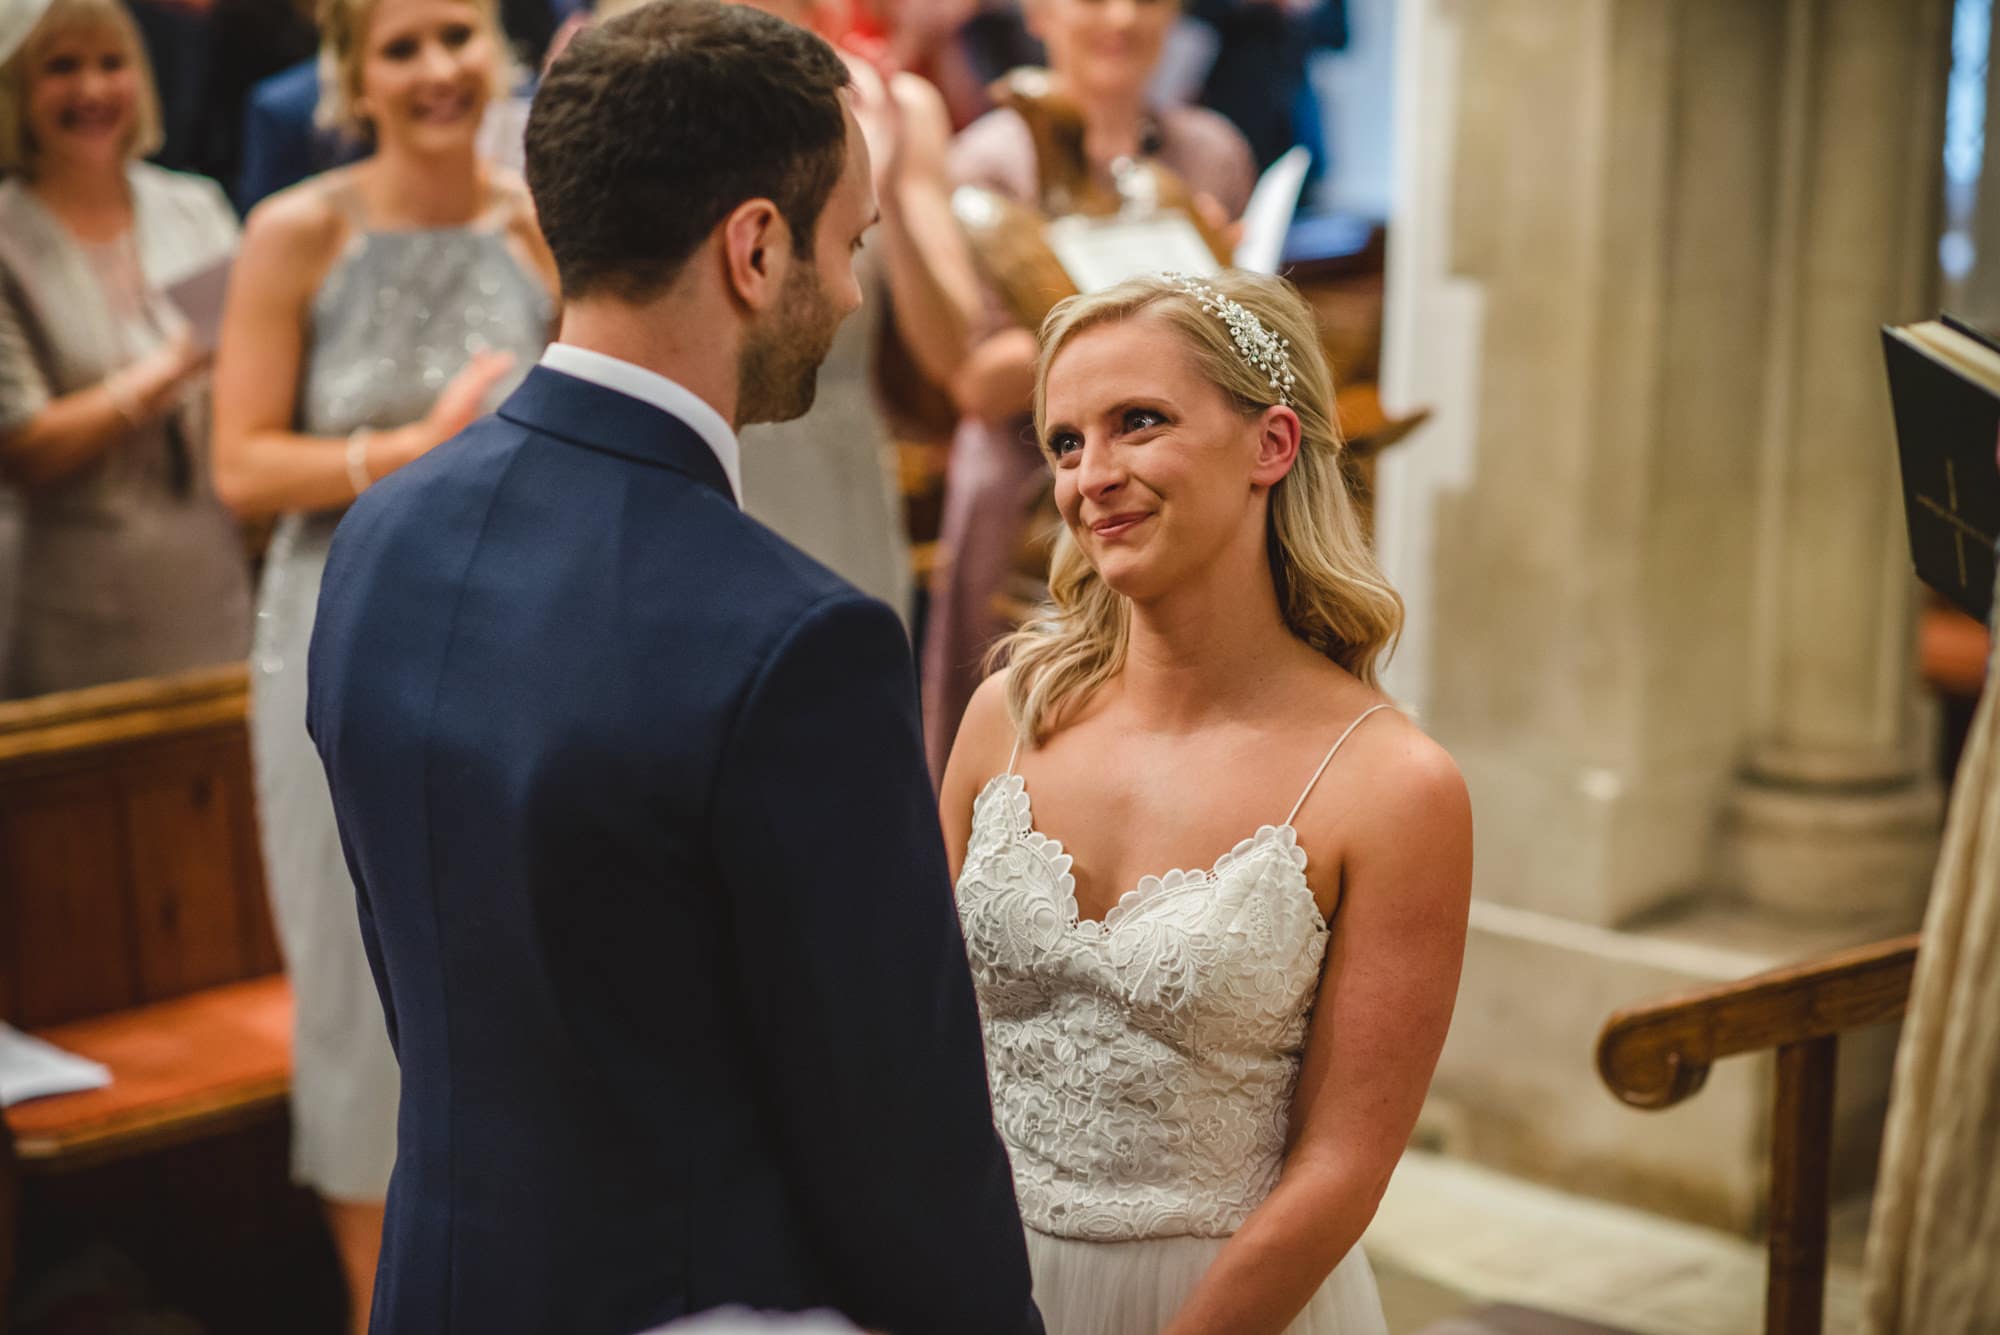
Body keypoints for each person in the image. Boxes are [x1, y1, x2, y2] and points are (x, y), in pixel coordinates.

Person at [305, 4, 1041, 1333]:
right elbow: (895, 1124)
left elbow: (435, 980)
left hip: (444, 1279)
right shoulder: (795, 641)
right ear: (754, 247)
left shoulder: (382, 535)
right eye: (850, 242)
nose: (858, 289)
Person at [941, 271, 1473, 1334]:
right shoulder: (1006, 716)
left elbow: (1340, 1166)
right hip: (979, 1280)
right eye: (1063, 443)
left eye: (1137, 423)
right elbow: (920, 1037)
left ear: (1270, 446)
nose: (1092, 476)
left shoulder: (1391, 788)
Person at [209, 0, 555, 1326]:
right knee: (358, 996)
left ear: (500, 54)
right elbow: (241, 464)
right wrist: (409, 452)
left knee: (519, 977)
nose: (436, 71)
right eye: (401, 46)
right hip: (338, 638)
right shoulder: (294, 233)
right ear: (350, 74)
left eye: (457, 37)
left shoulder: (541, 222)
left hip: (521, 644)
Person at [921, 0, 1256, 775]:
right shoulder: (985, 164)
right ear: (1038, 12)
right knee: (1021, 743)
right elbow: (977, 380)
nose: (1121, 17)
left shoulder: (1210, 153)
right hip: (1028, 489)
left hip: (1182, 491)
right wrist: (1130, 307)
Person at [0, 0, 250, 698]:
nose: (92, 89)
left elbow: (249, 377)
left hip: (208, 577)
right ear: (19, 88)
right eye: (62, 68)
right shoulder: (6, 240)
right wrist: (172, 367)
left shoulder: (195, 206)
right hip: (70, 602)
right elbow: (21, 446)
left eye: (111, 64)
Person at [736, 0, 980, 617]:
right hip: (704, 468)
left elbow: (954, 355)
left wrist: (887, 189)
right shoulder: (665, 101)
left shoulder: (895, 104)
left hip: (839, 481)